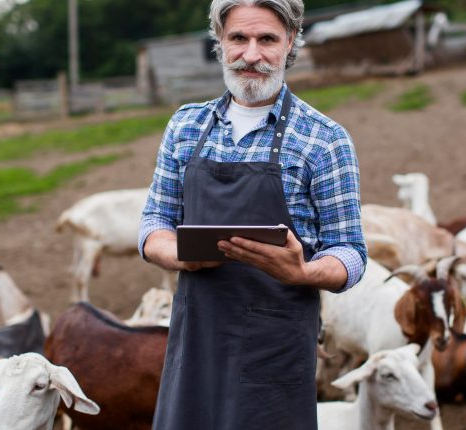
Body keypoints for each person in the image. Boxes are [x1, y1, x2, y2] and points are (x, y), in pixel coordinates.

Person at [138, 0, 367, 428]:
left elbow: (350, 252)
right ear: (220, 43)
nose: (251, 55)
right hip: (196, 343)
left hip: (274, 351)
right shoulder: (186, 127)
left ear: (290, 42)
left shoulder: (325, 140)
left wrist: (304, 272)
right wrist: (179, 255)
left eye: (267, 39)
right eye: (238, 38)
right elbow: (154, 223)